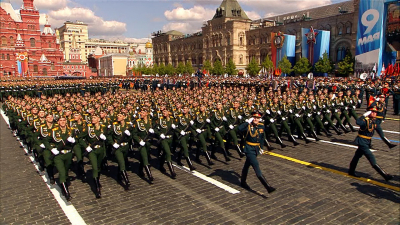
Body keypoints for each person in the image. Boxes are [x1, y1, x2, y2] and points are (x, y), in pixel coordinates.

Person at [348, 106, 393, 181]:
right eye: (372, 112)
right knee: (371, 157)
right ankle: (385, 175)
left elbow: (379, 130)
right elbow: (358, 122)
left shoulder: (374, 121)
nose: (374, 113)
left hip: (367, 142)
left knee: (357, 156)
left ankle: (351, 171)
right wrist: (364, 115)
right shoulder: (365, 120)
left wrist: (387, 141)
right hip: (362, 142)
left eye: (375, 112)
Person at [237, 111, 276, 193]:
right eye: (254, 117)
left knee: (247, 165)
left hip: (256, 149)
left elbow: (262, 138)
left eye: (257, 118)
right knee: (256, 167)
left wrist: (261, 147)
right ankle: (268, 187)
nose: (256, 119)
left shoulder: (261, 126)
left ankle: (243, 182)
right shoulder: (248, 126)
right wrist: (247, 122)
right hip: (249, 149)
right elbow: (239, 129)